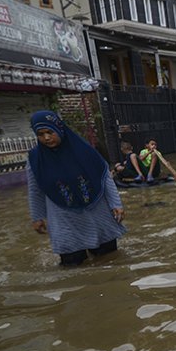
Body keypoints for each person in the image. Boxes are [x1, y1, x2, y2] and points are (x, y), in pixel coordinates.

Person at [27, 110, 126, 266]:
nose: (46, 138)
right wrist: (37, 217)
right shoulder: (35, 159)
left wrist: (116, 204)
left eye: (50, 132)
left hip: (96, 211)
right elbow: (35, 190)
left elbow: (104, 176)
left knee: (109, 259)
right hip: (63, 216)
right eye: (40, 134)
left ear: (59, 128)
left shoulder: (84, 151)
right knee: (71, 263)